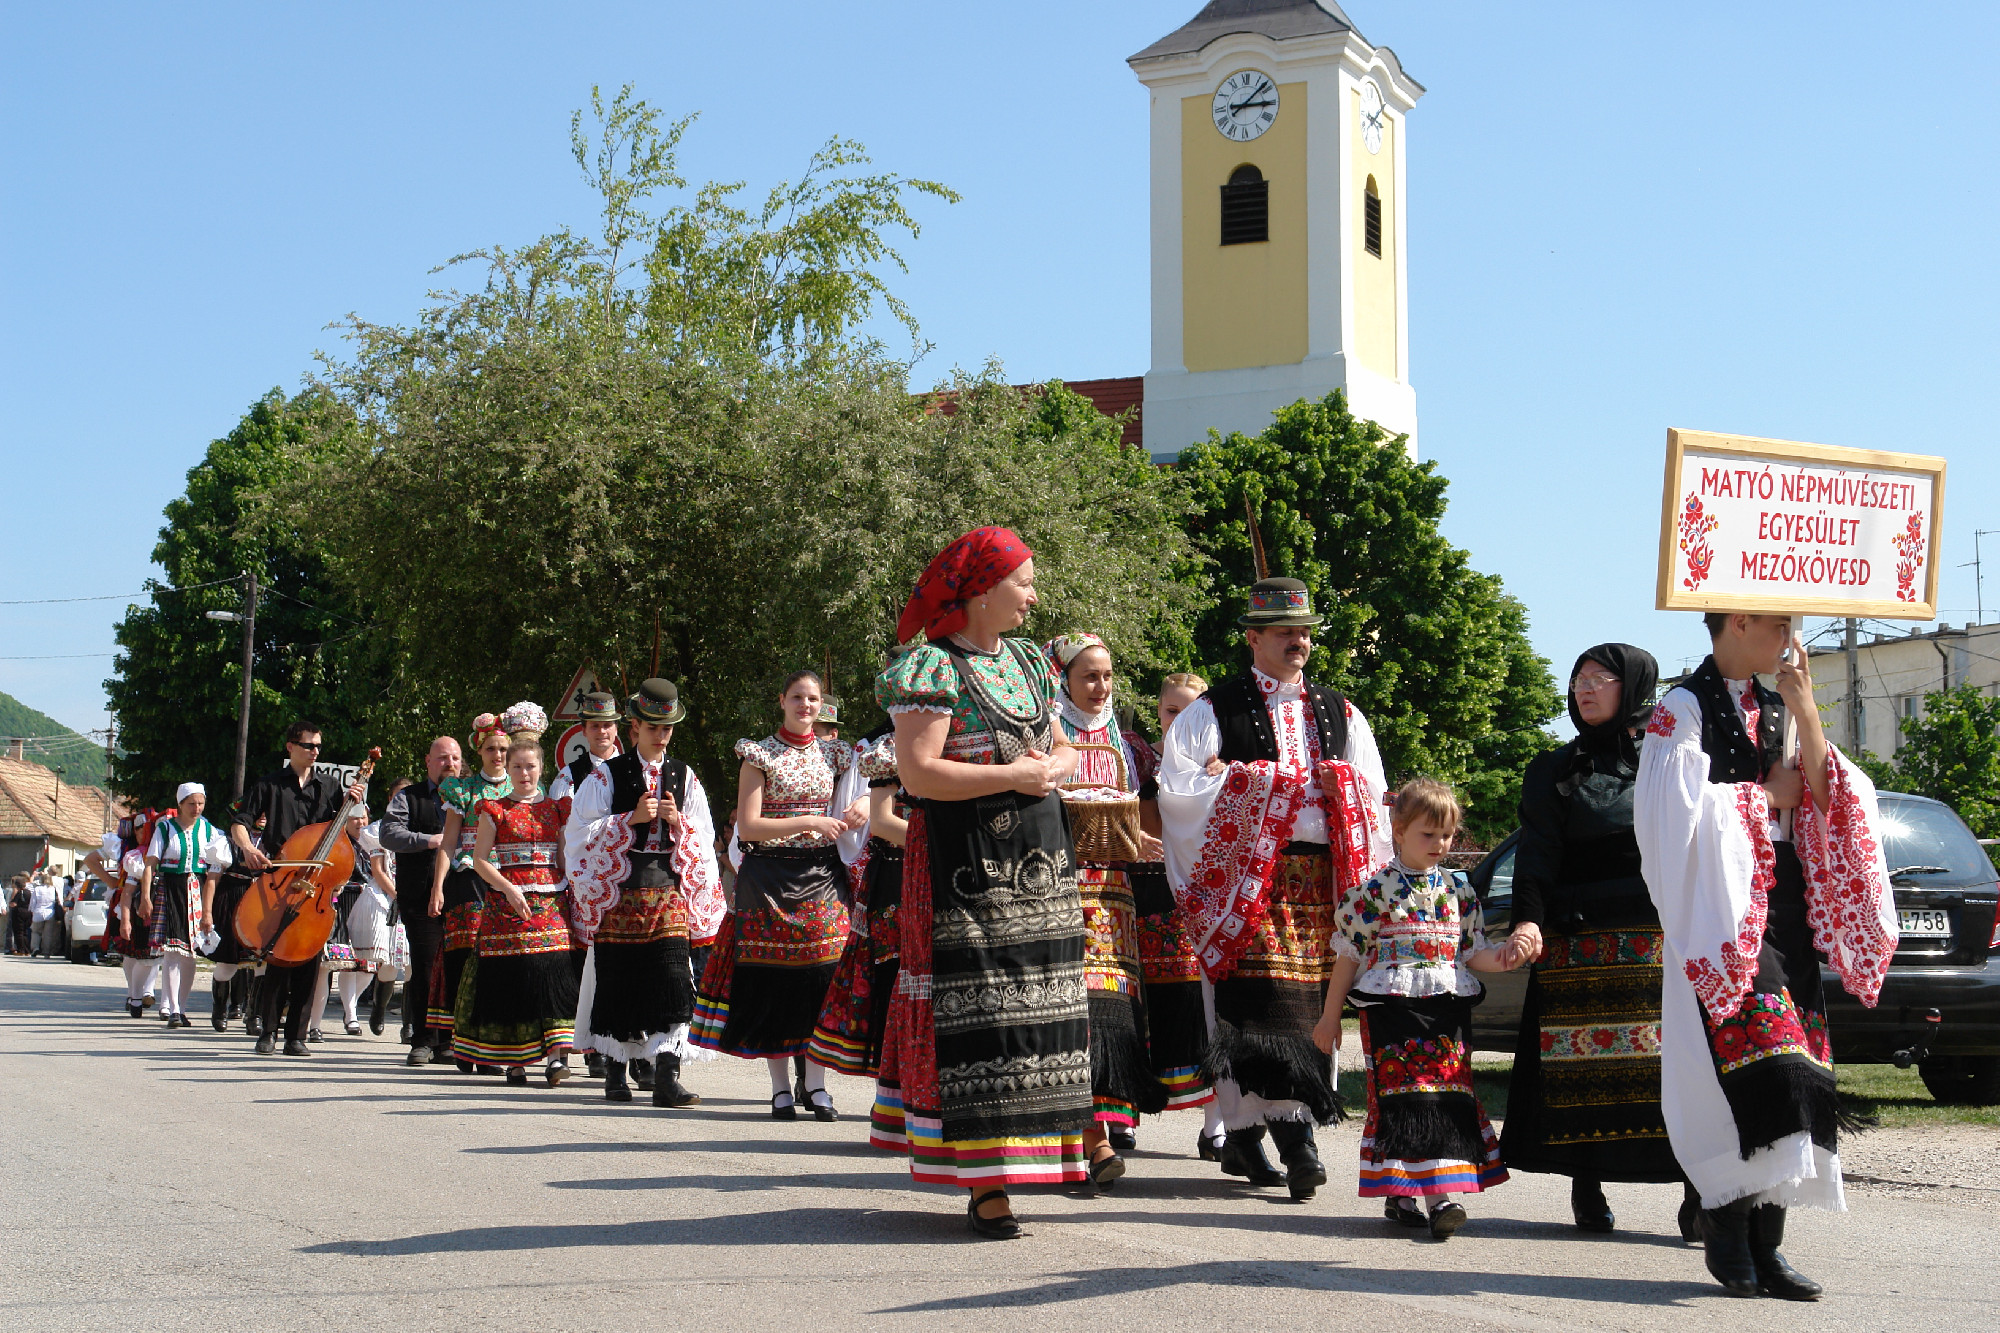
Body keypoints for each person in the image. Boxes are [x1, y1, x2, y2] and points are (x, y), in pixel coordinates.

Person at [1635, 613, 1897, 1301]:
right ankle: (1725, 1222)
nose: (1790, 631)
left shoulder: (1781, 704)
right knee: (1755, 1066)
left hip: (1784, 904)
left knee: (1799, 1070)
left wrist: (1808, 710)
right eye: (1779, 620)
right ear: (1740, 619)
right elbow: (1669, 816)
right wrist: (1761, 800)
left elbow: (1824, 793)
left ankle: (1767, 1242)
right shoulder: (1681, 708)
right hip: (1718, 908)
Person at [870, 526, 1090, 1239]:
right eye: (1023, 583)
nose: (1033, 596)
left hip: (1040, 859)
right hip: (961, 863)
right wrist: (1016, 775)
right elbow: (919, 774)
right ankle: (985, 1179)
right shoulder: (930, 666)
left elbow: (1060, 741)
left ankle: (1035, 1154)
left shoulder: (1028, 660)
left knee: (1037, 1003)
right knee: (980, 1009)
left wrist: (1051, 766)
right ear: (982, 590)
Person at [1155, 577, 1393, 1202]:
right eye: (1285, 631)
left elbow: (1372, 793)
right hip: (1250, 882)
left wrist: (1324, 784)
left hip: (1322, 879)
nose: (1299, 641)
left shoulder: (1341, 710)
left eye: (1305, 631)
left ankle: (1244, 1133)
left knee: (1314, 1006)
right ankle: (1297, 1139)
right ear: (1253, 638)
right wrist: (1257, 785)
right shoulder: (1216, 708)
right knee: (1261, 1006)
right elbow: (1178, 790)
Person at [1498, 644, 1693, 1235]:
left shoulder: (1671, 760)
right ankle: (1588, 1183)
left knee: (1673, 1070)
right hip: (1579, 941)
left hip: (1659, 938)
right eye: (1577, 679)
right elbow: (1538, 855)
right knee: (1584, 1068)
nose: (1584, 690)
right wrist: (1528, 920)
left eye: (1599, 679)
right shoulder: (1555, 770)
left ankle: (1700, 1192)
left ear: (1632, 686)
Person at [1315, 778, 1522, 1238]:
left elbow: (1472, 954)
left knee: (1444, 1096)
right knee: (1405, 1099)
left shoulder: (1460, 891)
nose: (1440, 844)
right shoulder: (1374, 893)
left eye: (1446, 835)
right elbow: (1347, 957)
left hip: (1447, 1010)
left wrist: (1505, 956)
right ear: (1398, 828)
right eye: (1428, 834)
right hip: (1391, 1011)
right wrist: (1330, 1017)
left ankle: (1413, 1193)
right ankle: (1436, 1198)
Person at [692, 669, 859, 1119]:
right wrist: (811, 822)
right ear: (782, 700)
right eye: (798, 697)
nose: (806, 706)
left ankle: (818, 1087)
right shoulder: (758, 754)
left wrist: (859, 808)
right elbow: (750, 826)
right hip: (768, 878)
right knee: (772, 981)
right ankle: (781, 1089)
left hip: (822, 875)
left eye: (814, 699)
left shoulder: (838, 754)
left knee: (822, 977)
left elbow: (869, 786)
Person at [1044, 632, 1168, 1185]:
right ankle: (1089, 1143)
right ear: (1064, 678)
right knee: (1074, 1014)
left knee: (1110, 1013)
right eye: (1089, 676)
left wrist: (1135, 838)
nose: (1101, 686)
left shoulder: (1126, 742)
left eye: (1108, 676)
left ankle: (1101, 1131)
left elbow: (1137, 811)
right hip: (1058, 891)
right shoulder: (1044, 735)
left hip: (1113, 897)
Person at [567, 679, 725, 1106]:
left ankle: (666, 1076)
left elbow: (705, 836)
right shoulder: (606, 775)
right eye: (653, 727)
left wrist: (680, 826)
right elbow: (578, 836)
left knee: (675, 979)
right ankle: (615, 1072)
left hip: (668, 890)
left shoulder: (684, 776)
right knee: (619, 980)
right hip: (620, 891)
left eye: (668, 728)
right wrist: (627, 820)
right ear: (635, 726)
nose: (661, 735)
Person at [454, 702, 579, 1087]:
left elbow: (563, 858)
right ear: (507, 770)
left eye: (530, 766)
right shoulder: (495, 809)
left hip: (551, 903)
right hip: (506, 904)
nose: (524, 773)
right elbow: (479, 860)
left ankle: (557, 1058)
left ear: (542, 768)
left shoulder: (557, 809)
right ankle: (516, 1060)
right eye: (517, 767)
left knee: (554, 973)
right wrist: (507, 889)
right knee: (513, 979)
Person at [231, 720, 367, 1057]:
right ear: (291, 746)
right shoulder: (269, 784)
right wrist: (249, 849)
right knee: (277, 958)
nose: (315, 752)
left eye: (318, 746)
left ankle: (297, 1035)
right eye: (309, 746)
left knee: (309, 960)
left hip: (317, 885)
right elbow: (240, 823)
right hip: (282, 879)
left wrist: (352, 804)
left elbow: (344, 834)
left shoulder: (330, 786)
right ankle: (268, 1032)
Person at [1134, 671, 1225, 1158]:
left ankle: (1215, 1124)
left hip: (1195, 902)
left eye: (1190, 713)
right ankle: (1123, 1110)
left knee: (1198, 1007)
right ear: (1159, 713)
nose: (1179, 722)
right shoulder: (1140, 760)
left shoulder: (1221, 767)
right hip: (1145, 895)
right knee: (1140, 1009)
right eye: (1172, 712)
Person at [807, 722, 906, 1081]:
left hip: (941, 876)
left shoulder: (955, 744)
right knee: (891, 979)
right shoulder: (881, 751)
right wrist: (942, 842)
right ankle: (893, 1089)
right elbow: (874, 826)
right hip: (894, 878)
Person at [429, 713, 514, 1070]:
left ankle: (492, 1045)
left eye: (503, 749)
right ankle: (459, 1040)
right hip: (467, 879)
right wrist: (437, 887)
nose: (498, 755)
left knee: (499, 962)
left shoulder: (521, 788)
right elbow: (448, 842)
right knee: (463, 960)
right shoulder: (461, 790)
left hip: (507, 881)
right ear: (479, 751)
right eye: (491, 748)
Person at [378, 735, 462, 1062]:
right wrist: (430, 840)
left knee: (457, 966)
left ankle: (450, 1041)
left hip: (462, 895)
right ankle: (423, 1040)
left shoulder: (470, 797)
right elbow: (388, 834)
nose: (449, 764)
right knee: (427, 966)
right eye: (442, 758)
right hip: (420, 895)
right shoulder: (408, 798)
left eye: (454, 758)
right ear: (428, 762)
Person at [549, 692, 621, 1077]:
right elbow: (561, 836)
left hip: (623, 879)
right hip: (584, 883)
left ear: (616, 727)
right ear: (584, 730)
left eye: (608, 724)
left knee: (621, 962)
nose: (602, 731)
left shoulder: (632, 768)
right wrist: (568, 880)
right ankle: (595, 1046)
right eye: (595, 725)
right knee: (590, 964)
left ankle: (623, 1044)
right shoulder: (569, 776)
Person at [138, 783, 232, 1028]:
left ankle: (183, 1006)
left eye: (200, 803)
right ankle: (173, 1010)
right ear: (180, 804)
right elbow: (150, 865)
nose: (197, 808)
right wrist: (145, 897)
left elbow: (218, 866)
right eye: (191, 803)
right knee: (172, 951)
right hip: (171, 889)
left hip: (198, 891)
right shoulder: (165, 828)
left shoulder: (210, 831)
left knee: (191, 953)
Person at [344, 794, 407, 1036]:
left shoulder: (413, 831)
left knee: (376, 965)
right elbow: (377, 871)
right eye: (354, 818)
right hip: (356, 899)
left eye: (363, 816)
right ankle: (351, 1014)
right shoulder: (347, 840)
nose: (359, 822)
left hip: (386, 900)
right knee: (348, 962)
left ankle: (403, 1023)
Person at [29, 871, 62, 957]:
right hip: (50, 913)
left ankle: (35, 948)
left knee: (36, 932)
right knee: (48, 934)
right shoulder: (54, 889)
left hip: (38, 913)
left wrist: (32, 911)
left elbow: (33, 902)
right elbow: (59, 901)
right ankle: (47, 952)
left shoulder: (37, 889)